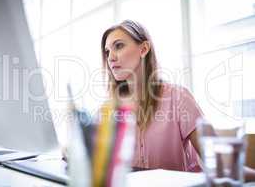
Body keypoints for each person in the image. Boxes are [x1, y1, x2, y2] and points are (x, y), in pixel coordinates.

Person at [100, 20, 255, 180]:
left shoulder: (178, 97)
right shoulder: (108, 109)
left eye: (118, 46)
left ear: (144, 49)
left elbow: (220, 164)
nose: (110, 58)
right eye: (107, 52)